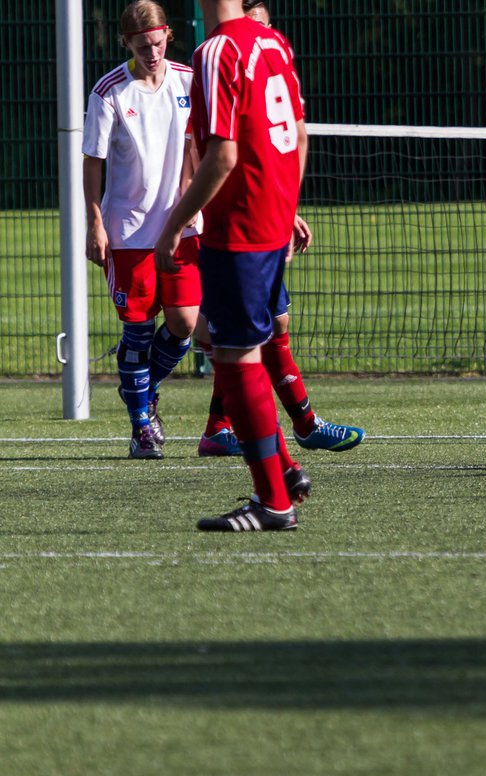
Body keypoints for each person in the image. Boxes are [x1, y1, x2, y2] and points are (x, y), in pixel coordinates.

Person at [155, 0, 316, 531]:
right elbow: (298, 133)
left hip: (240, 223)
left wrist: (175, 222)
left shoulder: (216, 49)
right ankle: (284, 471)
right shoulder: (275, 41)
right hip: (270, 216)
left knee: (232, 352)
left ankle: (272, 500)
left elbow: (221, 155)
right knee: (234, 341)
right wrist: (287, 207)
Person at [194, 0, 365, 459]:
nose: (260, 31)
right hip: (238, 221)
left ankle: (280, 458)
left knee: (252, 334)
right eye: (255, 22)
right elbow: (218, 155)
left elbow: (282, 141)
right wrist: (182, 220)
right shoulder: (220, 56)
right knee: (228, 340)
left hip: (259, 214)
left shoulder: (256, 49)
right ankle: (272, 448)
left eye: (266, 24)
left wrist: (286, 209)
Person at [83, 1, 199, 460]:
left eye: (157, 42)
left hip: (181, 227)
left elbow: (199, 146)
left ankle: (140, 389)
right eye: (141, 44)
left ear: (167, 35)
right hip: (128, 230)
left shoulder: (190, 80)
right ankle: (141, 428)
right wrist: (95, 221)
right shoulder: (109, 91)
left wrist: (192, 199)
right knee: (137, 330)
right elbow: (93, 161)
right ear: (126, 43)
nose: (151, 52)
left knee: (185, 324)